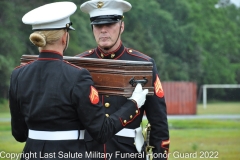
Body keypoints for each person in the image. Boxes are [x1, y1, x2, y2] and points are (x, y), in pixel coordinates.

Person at [9, 2, 148, 160]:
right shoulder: (77, 76)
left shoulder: (18, 75)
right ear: (64, 37)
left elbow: (19, 134)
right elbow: (101, 132)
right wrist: (134, 104)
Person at [75, 0, 170, 159]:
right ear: (92, 28)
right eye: (98, 26)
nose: (103, 30)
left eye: (110, 24)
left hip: (128, 152)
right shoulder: (78, 64)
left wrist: (160, 156)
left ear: (122, 26)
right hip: (88, 152)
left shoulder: (143, 64)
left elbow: (158, 121)